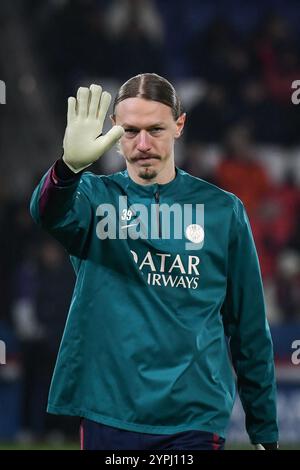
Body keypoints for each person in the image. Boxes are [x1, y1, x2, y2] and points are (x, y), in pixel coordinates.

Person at [30, 73, 279, 450]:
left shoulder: (223, 211)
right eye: (130, 131)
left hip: (192, 419)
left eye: (156, 129)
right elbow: (45, 213)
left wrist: (264, 431)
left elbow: (249, 328)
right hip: (108, 412)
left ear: (179, 125)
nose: (143, 144)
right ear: (114, 130)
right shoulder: (93, 198)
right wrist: (67, 170)